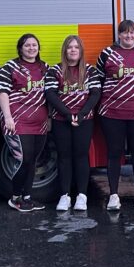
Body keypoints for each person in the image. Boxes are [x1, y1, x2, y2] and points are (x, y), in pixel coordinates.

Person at [96, 20, 134, 212]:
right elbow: (98, 79)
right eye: (125, 33)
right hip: (112, 113)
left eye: (132, 33)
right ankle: (114, 195)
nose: (129, 36)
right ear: (119, 35)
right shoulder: (107, 53)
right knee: (114, 153)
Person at [44, 35, 102, 213]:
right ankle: (65, 196)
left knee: (81, 156)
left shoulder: (90, 71)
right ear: (65, 51)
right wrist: (68, 115)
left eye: (76, 47)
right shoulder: (55, 71)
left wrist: (82, 114)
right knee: (64, 157)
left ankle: (82, 196)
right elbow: (51, 94)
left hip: (84, 120)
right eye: (70, 47)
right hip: (62, 120)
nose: (73, 50)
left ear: (81, 50)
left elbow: (95, 93)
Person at [0, 33, 50, 213]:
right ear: (20, 48)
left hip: (40, 122)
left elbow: (50, 95)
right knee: (23, 160)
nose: (31, 48)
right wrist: (8, 117)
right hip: (17, 121)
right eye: (27, 45)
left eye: (34, 45)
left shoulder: (45, 68)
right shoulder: (10, 67)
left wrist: (49, 118)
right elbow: (2, 92)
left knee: (33, 161)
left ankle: (27, 197)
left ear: (38, 48)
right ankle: (15, 197)